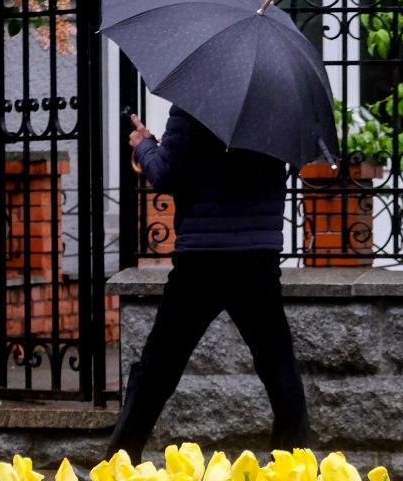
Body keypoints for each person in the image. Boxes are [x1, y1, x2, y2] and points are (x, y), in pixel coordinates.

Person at [106, 107, 309, 461]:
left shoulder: (194, 108)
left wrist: (144, 145)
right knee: (279, 368)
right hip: (256, 257)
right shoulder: (278, 112)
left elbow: (166, 175)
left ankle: (119, 466)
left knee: (158, 367)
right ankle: (291, 475)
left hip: (202, 257)